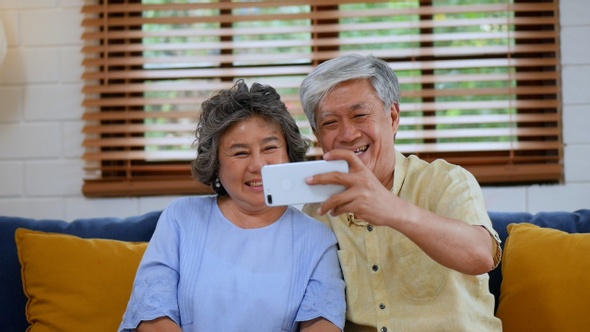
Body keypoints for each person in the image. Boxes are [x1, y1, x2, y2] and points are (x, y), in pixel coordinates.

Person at [119, 80, 346, 332]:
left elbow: (322, 325)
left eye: (270, 148)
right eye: (240, 153)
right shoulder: (181, 218)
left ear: (288, 154)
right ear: (215, 163)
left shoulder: (317, 239)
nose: (258, 165)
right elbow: (152, 316)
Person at [299, 54, 503, 331]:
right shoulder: (319, 209)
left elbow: (481, 256)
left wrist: (393, 210)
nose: (347, 134)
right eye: (330, 123)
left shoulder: (446, 181)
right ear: (317, 134)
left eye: (360, 115)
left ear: (392, 117)